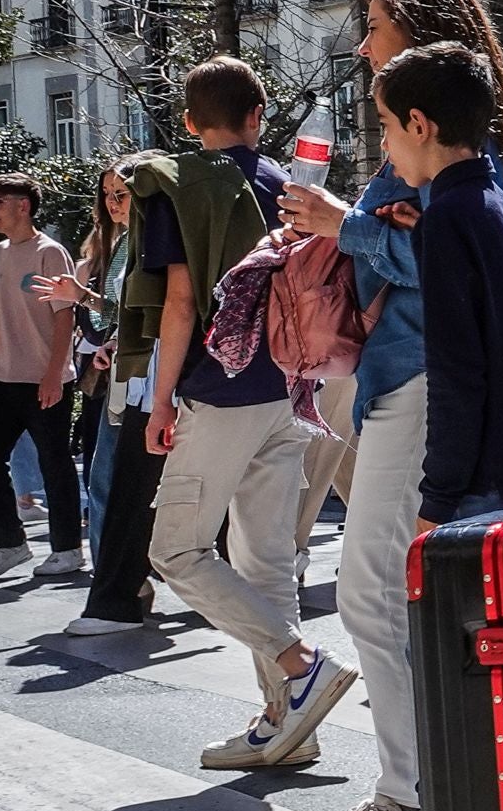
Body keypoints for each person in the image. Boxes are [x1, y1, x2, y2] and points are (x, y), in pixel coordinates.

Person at [276, 0, 503, 811]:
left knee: (374, 598)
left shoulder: (459, 163)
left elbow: (440, 271)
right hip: (400, 376)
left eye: (377, 21)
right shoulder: (457, 145)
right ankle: (424, 798)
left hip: (420, 381)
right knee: (384, 599)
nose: (363, 42)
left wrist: (345, 224)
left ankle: (412, 810)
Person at [140, 56, 354, 771]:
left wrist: (161, 394)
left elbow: (178, 302)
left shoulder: (184, 183)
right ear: (260, 117)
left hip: (221, 388)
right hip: (291, 389)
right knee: (266, 560)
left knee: (175, 550)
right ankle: (288, 722)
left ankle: (301, 667)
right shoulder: (293, 188)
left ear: (190, 122)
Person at [389, 43, 503, 533]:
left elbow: (457, 371)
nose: (385, 145)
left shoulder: (448, 218)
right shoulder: (492, 197)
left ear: (418, 124)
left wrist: (437, 499)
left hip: (486, 480)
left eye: (386, 127)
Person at [55, 151, 173, 637]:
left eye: (121, 193)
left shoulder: (157, 239)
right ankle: (119, 584)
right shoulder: (122, 242)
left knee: (130, 484)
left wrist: (105, 327)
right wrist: (95, 324)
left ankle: (120, 588)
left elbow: (163, 309)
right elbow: (120, 314)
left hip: (154, 378)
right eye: (107, 195)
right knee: (107, 482)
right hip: (126, 373)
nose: (114, 202)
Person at [0, 173, 83, 583]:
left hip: (46, 379)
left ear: (24, 205)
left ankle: (67, 549)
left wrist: (54, 373)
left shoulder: (50, 253)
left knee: (55, 464)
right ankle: (10, 544)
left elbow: (65, 314)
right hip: (3, 378)